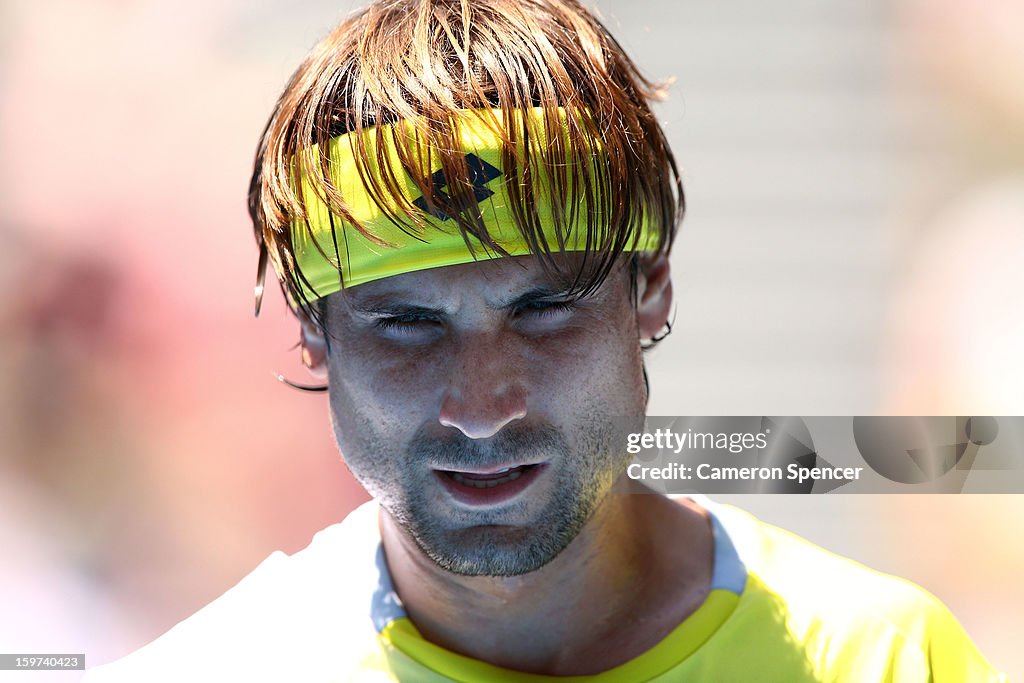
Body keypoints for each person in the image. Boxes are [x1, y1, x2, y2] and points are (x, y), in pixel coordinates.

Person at [86, 0, 1006, 680]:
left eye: (542, 308)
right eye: (406, 324)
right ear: (314, 338)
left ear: (649, 292)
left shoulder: (884, 659)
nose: (482, 407)